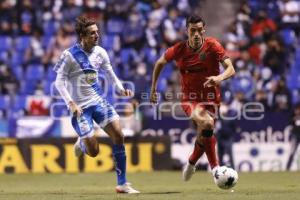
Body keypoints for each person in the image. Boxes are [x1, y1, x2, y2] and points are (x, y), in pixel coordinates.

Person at [54, 15, 140, 194]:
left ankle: (122, 183)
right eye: (92, 33)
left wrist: (121, 88)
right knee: (94, 152)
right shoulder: (69, 55)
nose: (97, 35)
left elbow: (110, 73)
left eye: (97, 32)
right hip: (81, 109)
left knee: (118, 134)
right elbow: (59, 82)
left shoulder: (101, 52)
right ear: (82, 36)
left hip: (99, 102)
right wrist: (71, 103)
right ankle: (82, 143)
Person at [150, 15, 235, 182]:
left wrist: (219, 78)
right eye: (192, 30)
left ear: (204, 30)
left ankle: (191, 162)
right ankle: (215, 169)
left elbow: (231, 68)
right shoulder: (179, 49)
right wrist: (153, 89)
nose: (196, 34)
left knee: (204, 136)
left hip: (212, 99)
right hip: (190, 98)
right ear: (187, 31)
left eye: (199, 30)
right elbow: (159, 63)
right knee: (208, 124)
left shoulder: (213, 45)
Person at [286, 103, 300, 170]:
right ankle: (288, 168)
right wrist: (294, 118)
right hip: (295, 135)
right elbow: (289, 123)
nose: (297, 111)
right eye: (296, 110)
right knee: (292, 151)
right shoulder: (293, 115)